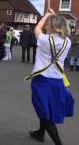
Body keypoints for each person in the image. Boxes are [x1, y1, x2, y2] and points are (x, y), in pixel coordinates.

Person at [26, 9, 74, 145]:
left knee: (45, 113)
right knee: (45, 108)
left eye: (48, 23)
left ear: (53, 26)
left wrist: (47, 15)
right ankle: (40, 133)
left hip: (42, 81)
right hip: (58, 82)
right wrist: (52, 16)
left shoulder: (44, 40)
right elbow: (41, 29)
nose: (46, 25)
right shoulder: (67, 42)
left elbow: (37, 28)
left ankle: (58, 143)